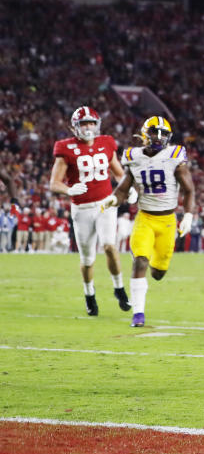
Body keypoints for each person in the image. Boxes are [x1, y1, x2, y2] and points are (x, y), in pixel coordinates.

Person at [101, 116, 195, 328]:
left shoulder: (174, 156)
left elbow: (189, 190)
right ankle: (138, 314)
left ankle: (154, 267)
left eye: (163, 133)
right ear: (144, 133)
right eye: (154, 132)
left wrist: (188, 215)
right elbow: (124, 189)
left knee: (158, 273)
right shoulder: (134, 157)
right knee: (140, 261)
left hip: (168, 221)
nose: (158, 137)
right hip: (145, 217)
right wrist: (113, 199)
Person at [49, 106, 134, 316]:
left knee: (109, 246)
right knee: (87, 260)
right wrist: (69, 189)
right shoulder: (65, 148)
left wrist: (128, 190)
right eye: (83, 123)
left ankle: (119, 288)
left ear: (97, 125)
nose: (88, 127)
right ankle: (89, 293)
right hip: (82, 208)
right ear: (74, 127)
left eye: (91, 123)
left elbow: (118, 173)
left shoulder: (106, 142)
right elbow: (53, 183)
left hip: (105, 204)